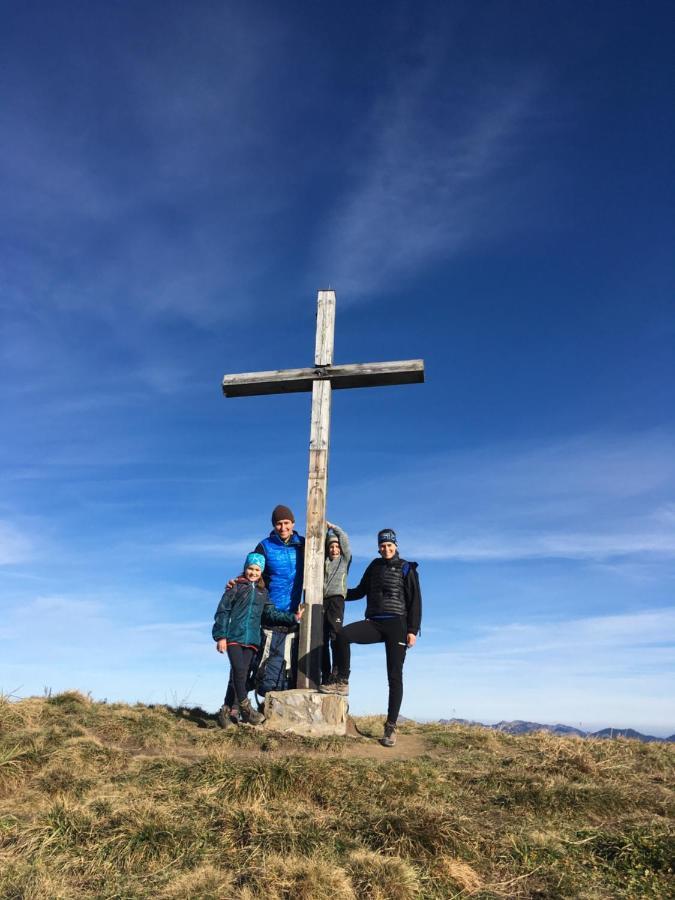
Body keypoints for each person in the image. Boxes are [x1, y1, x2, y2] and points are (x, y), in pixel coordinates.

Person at [320, 528, 421, 748]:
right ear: (379, 547)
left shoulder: (406, 568)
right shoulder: (374, 566)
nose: (386, 549)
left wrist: (412, 630)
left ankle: (391, 726)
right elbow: (360, 590)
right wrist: (336, 593)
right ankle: (342, 681)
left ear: (395, 546)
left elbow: (415, 601)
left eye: (390, 546)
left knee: (394, 676)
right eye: (383, 546)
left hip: (398, 624)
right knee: (343, 635)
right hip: (374, 622)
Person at [213, 551, 304, 727]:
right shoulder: (236, 587)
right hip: (234, 637)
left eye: (257, 569)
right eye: (250, 568)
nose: (253, 573)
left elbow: (271, 612)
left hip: (253, 639)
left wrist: (294, 617)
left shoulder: (263, 592)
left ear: (261, 571)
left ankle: (225, 713)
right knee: (239, 671)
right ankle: (247, 710)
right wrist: (221, 636)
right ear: (245, 568)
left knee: (240, 674)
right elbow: (223, 611)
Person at [252, 504, 305, 702]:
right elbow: (253, 569)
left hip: (295, 613)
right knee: (266, 661)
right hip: (272, 610)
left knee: (289, 663)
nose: (283, 528)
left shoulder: (304, 545)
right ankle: (245, 703)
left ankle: (281, 705)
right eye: (278, 524)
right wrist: (238, 581)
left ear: (293, 523)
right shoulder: (265, 546)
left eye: (286, 523)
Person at [322, 521, 352, 685]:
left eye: (337, 547)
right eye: (331, 547)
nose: (334, 550)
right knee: (322, 638)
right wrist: (325, 534)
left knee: (335, 635)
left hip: (336, 601)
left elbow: (345, 540)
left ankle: (336, 670)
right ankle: (325, 673)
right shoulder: (325, 561)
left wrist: (334, 529)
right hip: (322, 601)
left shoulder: (344, 560)